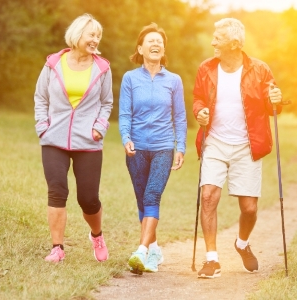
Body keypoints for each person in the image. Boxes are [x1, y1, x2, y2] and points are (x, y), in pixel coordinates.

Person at [192, 18, 283, 279]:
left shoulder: (260, 70)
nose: (212, 42)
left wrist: (276, 100)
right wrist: (200, 112)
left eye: (217, 38)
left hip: (248, 146)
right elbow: (198, 98)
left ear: (234, 43)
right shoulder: (206, 68)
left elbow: (271, 106)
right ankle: (211, 259)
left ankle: (242, 243)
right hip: (215, 142)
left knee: (249, 209)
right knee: (208, 195)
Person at [34, 14, 113, 263]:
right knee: (57, 191)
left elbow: (106, 102)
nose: (95, 39)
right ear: (78, 34)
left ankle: (97, 235)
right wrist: (43, 126)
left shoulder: (102, 68)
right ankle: (57, 247)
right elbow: (40, 97)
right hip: (54, 138)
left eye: (98, 36)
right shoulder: (53, 63)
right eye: (91, 34)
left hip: (88, 141)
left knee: (88, 199)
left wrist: (99, 127)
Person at [119, 23, 187, 275]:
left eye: (159, 41)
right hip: (136, 148)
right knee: (142, 200)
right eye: (150, 41)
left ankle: (141, 251)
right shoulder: (130, 78)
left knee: (152, 196)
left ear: (163, 49)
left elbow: (179, 117)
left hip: (162, 147)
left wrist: (181, 147)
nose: (156, 44)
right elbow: (124, 113)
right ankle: (154, 249)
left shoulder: (174, 80)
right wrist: (125, 137)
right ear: (140, 48)